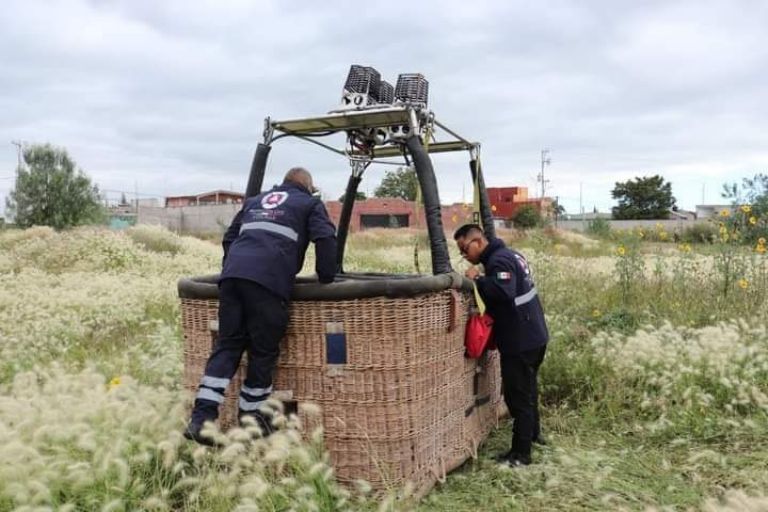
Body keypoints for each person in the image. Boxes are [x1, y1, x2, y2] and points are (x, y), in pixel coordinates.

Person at [184, 167, 337, 445]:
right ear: (308, 186)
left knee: (228, 346)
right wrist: (327, 277)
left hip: (231, 279)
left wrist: (238, 266)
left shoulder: (255, 201)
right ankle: (251, 421)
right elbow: (325, 238)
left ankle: (201, 419)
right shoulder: (309, 203)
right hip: (268, 282)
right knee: (262, 351)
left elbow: (230, 237)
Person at [453, 224, 549, 466]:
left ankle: (521, 454)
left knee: (518, 397)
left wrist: (478, 280)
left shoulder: (498, 261)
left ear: (477, 242)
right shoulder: (511, 254)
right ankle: (534, 434)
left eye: (464, 249)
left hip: (520, 340)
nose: (464, 256)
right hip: (534, 335)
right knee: (528, 390)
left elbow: (503, 291)